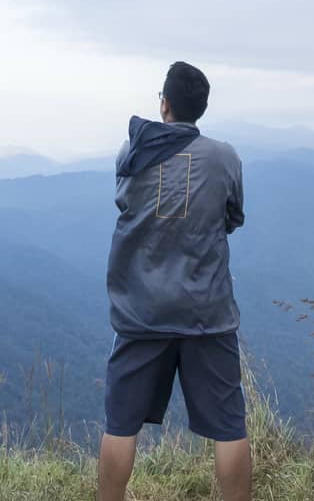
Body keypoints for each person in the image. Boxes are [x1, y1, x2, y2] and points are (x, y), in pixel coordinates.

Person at [98, 60, 249, 501]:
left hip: (141, 310)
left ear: (163, 103)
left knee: (120, 422)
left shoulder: (132, 154)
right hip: (207, 311)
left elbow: (124, 205)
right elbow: (233, 217)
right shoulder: (225, 157)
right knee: (229, 427)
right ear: (200, 108)